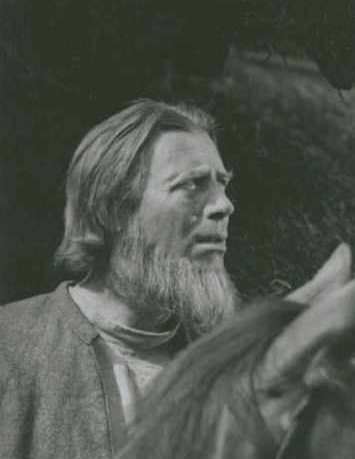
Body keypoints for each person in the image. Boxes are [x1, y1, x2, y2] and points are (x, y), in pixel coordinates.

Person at [0, 99, 239, 459]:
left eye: (223, 184)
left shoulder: (231, 368)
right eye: (193, 184)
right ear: (112, 209)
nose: (224, 205)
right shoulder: (9, 348)